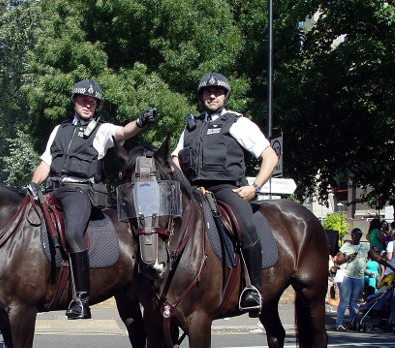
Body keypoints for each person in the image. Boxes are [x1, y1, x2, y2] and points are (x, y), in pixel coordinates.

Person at [30, 79, 156, 320]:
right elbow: (46, 163)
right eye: (83, 100)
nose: (88, 105)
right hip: (52, 190)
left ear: (96, 106)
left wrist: (140, 122)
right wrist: (33, 185)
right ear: (74, 101)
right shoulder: (59, 130)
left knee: (72, 233)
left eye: (92, 102)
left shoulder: (102, 130)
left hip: (79, 192)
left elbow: (123, 132)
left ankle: (81, 299)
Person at [171, 72, 279, 317]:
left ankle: (253, 289)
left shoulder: (238, 123)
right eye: (207, 92)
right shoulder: (191, 127)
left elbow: (270, 156)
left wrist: (255, 187)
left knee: (246, 226)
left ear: (225, 96)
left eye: (217, 92)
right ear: (201, 96)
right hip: (193, 190)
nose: (212, 96)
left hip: (226, 188)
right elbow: (176, 159)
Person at [334, 228, 382, 331]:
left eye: (358, 235)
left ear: (360, 236)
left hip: (358, 277)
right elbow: (338, 261)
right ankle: (339, 324)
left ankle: (353, 322)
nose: (356, 237)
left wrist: (389, 265)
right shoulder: (346, 246)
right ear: (351, 236)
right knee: (344, 300)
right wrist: (347, 258)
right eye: (354, 235)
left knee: (353, 301)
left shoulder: (365, 246)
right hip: (346, 276)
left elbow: (376, 257)